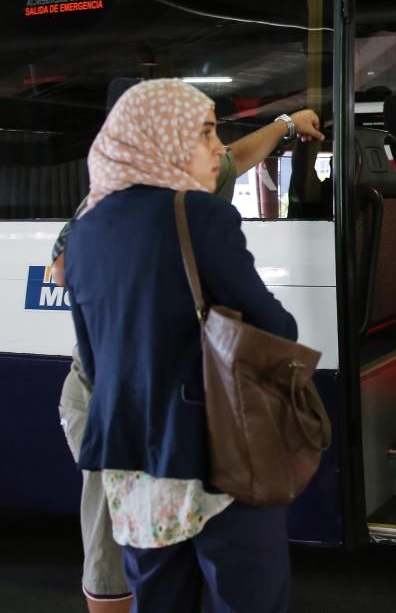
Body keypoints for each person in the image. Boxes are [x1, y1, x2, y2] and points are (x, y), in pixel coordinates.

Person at [54, 79, 321, 613]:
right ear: (163, 139)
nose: (218, 146)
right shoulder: (200, 214)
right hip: (214, 452)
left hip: (130, 463)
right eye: (205, 132)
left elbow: (93, 356)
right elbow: (275, 328)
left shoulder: (82, 232)